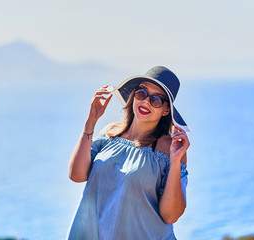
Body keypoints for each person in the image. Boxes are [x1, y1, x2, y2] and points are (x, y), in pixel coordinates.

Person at [66, 66, 190, 240]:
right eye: (142, 93)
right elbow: (76, 175)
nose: (146, 101)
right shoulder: (110, 133)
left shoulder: (171, 149)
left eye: (156, 99)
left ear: (166, 110)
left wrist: (176, 161)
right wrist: (91, 122)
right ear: (134, 95)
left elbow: (171, 215)